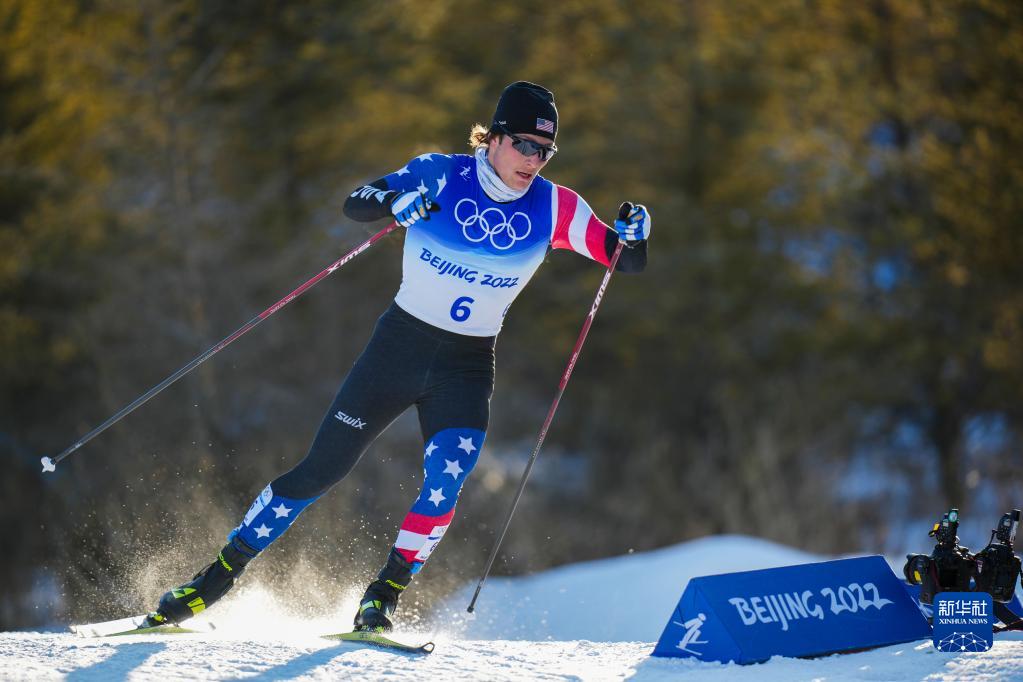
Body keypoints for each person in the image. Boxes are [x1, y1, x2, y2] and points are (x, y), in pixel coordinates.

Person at [143, 81, 651, 634]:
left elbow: (621, 260)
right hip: (399, 348)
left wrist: (636, 235)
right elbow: (355, 202)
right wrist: (395, 200)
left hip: (466, 364)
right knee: (323, 470)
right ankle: (214, 579)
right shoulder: (441, 173)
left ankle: (381, 598)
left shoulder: (556, 206)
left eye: (544, 150)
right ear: (495, 137)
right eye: (524, 144)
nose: (534, 159)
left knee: (444, 485)